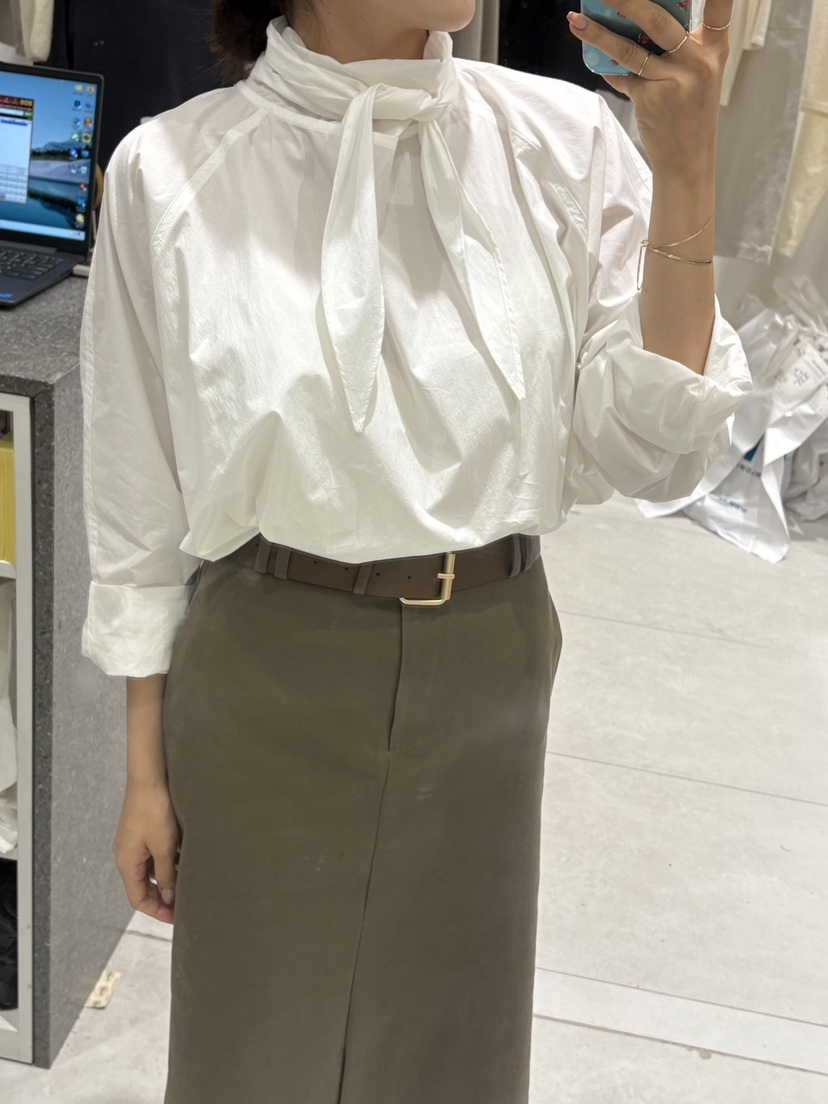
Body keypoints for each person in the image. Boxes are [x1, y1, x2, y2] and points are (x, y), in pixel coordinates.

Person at [81, 1, 749, 1101]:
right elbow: (136, 501)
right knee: (251, 1058)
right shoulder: (173, 171)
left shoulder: (560, 141)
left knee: (455, 1055)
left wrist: (685, 177)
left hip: (490, 658)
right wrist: (142, 773)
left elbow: (653, 448)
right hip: (264, 668)